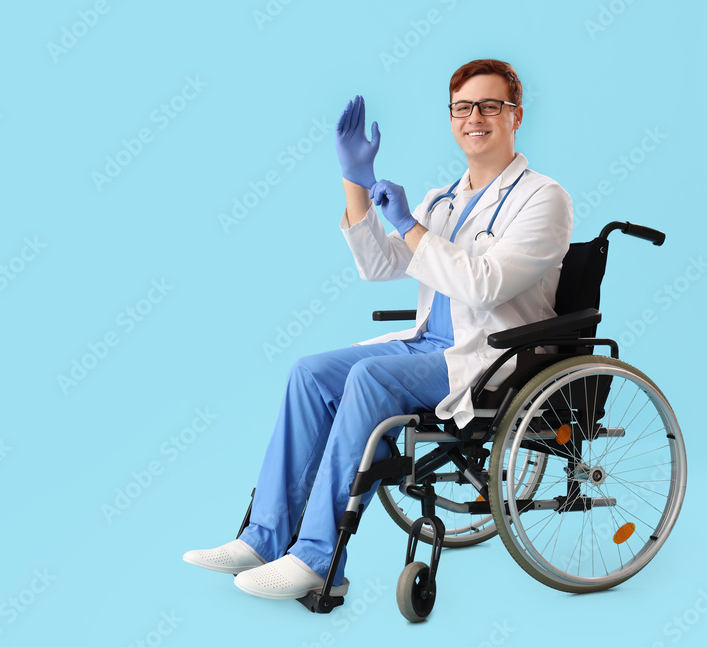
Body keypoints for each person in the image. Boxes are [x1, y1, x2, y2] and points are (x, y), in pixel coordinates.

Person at [183, 59, 573, 601]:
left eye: (490, 106)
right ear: (452, 117)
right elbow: (379, 266)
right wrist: (355, 185)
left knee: (369, 379)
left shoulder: (543, 198)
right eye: (463, 107)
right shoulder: (445, 199)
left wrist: (410, 226)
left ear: (516, 115)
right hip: (429, 347)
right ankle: (263, 536)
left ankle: (319, 558)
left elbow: (483, 285)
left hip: (492, 357)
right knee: (310, 372)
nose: (475, 117)